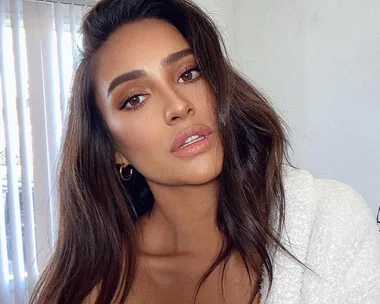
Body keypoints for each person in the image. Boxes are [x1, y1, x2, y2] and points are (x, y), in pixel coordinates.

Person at [30, 0, 380, 303]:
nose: (178, 106)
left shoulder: (327, 222)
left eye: (188, 73)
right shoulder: (94, 286)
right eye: (135, 99)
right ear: (113, 148)